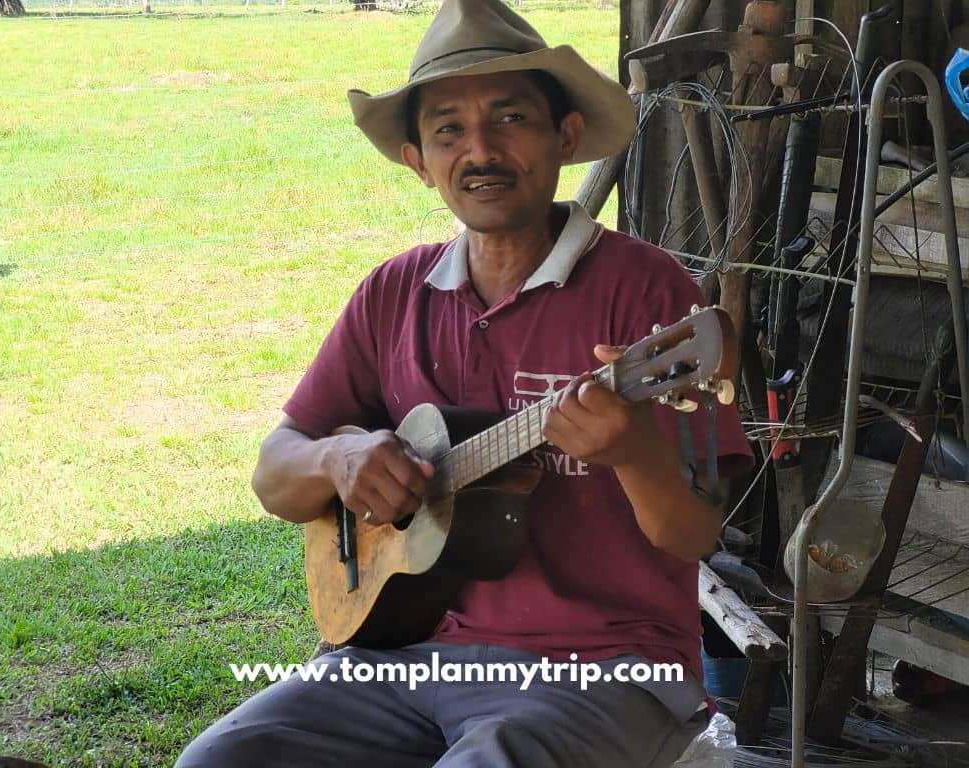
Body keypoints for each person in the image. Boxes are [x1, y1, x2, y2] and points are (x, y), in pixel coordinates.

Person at [176, 1, 752, 766]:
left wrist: (635, 451)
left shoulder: (647, 293)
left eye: (510, 119)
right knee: (219, 761)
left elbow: (696, 536)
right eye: (449, 130)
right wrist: (337, 461)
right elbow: (274, 475)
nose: (480, 150)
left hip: (609, 669)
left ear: (566, 138)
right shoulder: (394, 292)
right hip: (404, 656)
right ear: (419, 161)